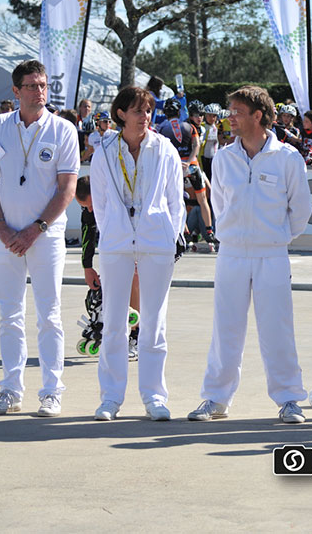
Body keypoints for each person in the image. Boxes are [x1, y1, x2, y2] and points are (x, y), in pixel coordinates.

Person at [188, 86, 311, 423]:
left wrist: (278, 237)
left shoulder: (288, 158)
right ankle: (216, 398)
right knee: (225, 328)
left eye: (237, 112)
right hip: (231, 254)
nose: (230, 118)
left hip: (271, 255)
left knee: (277, 329)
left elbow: (300, 210)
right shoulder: (225, 157)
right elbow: (220, 204)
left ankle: (289, 399)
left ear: (258, 115)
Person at [89, 86, 185, 421]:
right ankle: (110, 398)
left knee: (154, 322)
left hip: (156, 244)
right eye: (137, 111)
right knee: (114, 321)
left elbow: (176, 199)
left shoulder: (164, 149)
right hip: (116, 244)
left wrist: (168, 236)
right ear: (121, 114)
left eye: (148, 111)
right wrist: (115, 230)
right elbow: (99, 204)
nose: (144, 117)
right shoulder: (105, 151)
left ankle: (154, 396)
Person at [0, 60, 79, 417]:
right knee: (9, 315)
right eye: (32, 86)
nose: (40, 92)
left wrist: (35, 229)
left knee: (49, 314)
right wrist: (3, 228)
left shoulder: (63, 130)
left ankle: (51, 391)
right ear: (16, 92)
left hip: (45, 236)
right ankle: (11, 390)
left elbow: (67, 190)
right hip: (4, 236)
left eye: (43, 85)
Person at [75, 176, 140, 360]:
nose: (89, 210)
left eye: (91, 205)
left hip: (138, 242)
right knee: (103, 290)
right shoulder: (90, 208)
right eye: (84, 206)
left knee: (135, 279)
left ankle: (137, 337)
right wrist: (87, 267)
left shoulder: (120, 199)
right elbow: (88, 235)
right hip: (113, 248)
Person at [158, 97, 216, 247]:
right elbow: (196, 145)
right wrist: (190, 161)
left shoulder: (162, 128)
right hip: (192, 165)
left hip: (174, 167)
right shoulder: (190, 127)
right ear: (180, 112)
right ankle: (208, 231)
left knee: (177, 200)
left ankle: (184, 231)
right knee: (203, 199)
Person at [200, 103, 222, 181]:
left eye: (214, 116)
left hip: (215, 158)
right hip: (203, 158)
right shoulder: (202, 127)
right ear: (205, 116)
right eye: (209, 115)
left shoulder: (218, 127)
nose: (212, 118)